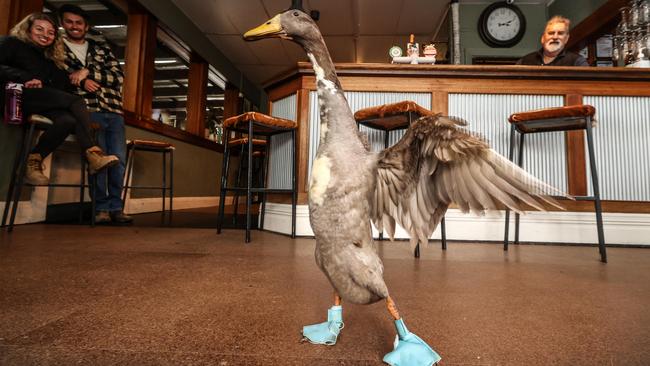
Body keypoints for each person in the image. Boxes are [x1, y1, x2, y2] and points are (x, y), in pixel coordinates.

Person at [0, 12, 118, 187]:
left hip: (39, 99)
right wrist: (24, 77)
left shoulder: (50, 58)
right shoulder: (11, 43)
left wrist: (83, 79)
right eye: (39, 29)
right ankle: (92, 154)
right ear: (27, 29)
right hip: (14, 95)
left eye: (51, 32)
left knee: (67, 120)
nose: (45, 35)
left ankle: (32, 161)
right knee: (76, 101)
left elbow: (61, 86)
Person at [59, 4, 132, 224]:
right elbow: (61, 79)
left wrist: (88, 72)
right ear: (62, 23)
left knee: (118, 161)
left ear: (86, 26)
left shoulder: (100, 47)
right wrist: (80, 79)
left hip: (113, 110)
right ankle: (100, 208)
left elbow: (118, 77)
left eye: (79, 22)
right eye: (69, 22)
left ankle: (116, 208)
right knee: (98, 160)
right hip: (88, 112)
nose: (74, 26)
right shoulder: (57, 49)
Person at [517, 16, 589, 66]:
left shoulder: (577, 62)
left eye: (560, 33)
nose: (555, 37)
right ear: (543, 38)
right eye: (551, 33)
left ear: (566, 39)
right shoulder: (525, 61)